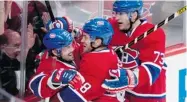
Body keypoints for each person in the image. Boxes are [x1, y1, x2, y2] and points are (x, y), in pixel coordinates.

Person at [54, 18, 134, 102]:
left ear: (97, 42)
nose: (82, 40)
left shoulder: (95, 63)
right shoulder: (107, 51)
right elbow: (79, 50)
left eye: (85, 37)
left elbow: (75, 97)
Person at [102, 0, 166, 102]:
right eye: (116, 13)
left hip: (148, 96)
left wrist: (128, 78)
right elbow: (90, 34)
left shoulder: (154, 34)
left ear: (134, 15)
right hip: (122, 94)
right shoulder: (112, 27)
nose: (116, 17)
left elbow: (152, 69)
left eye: (121, 13)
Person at [28, 28, 85, 101]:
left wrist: (80, 33)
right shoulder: (48, 66)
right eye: (67, 47)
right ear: (55, 52)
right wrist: (54, 80)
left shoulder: (65, 51)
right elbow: (34, 85)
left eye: (71, 44)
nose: (72, 49)